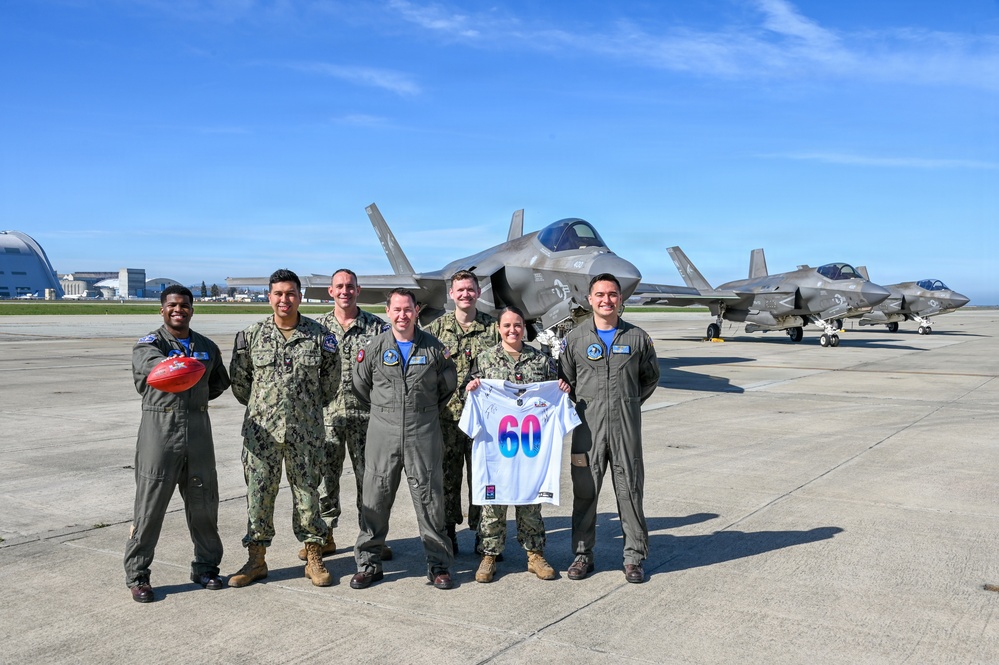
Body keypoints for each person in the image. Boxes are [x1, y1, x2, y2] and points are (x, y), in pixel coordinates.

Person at [228, 269, 341, 588]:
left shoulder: (321, 336)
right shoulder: (250, 335)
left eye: (290, 293)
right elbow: (240, 383)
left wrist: (302, 410)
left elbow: (330, 384)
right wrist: (266, 406)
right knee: (258, 495)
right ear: (269, 297)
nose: (284, 299)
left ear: (299, 297)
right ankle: (256, 559)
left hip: (305, 433)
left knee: (308, 494)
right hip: (261, 434)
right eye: (278, 293)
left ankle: (314, 554)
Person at [124, 285, 231, 603]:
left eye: (184, 305)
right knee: (150, 506)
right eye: (172, 305)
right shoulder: (149, 345)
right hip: (161, 432)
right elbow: (157, 369)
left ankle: (206, 567)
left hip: (198, 431)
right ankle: (138, 575)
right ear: (162, 310)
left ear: (192, 310)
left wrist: (193, 395)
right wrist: (186, 372)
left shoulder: (207, 346)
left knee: (204, 504)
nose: (178, 310)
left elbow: (218, 383)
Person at [350, 288, 457, 590]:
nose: (402, 315)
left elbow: (448, 385)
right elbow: (360, 385)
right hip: (382, 430)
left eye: (407, 309)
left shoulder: (435, 349)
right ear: (388, 312)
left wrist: (420, 411)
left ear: (416, 311)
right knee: (375, 497)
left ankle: (438, 566)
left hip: (423, 430)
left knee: (430, 499)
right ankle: (369, 564)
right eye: (396, 309)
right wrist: (387, 412)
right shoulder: (373, 348)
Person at [558, 273, 660, 584]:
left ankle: (633, 557)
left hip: (625, 428)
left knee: (630, 490)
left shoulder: (637, 338)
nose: (606, 300)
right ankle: (582, 555)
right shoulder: (575, 340)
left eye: (612, 294)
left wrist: (627, 404)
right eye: (600, 294)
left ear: (620, 299)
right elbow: (566, 381)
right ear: (589, 300)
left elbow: (650, 379)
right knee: (585, 491)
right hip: (587, 429)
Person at [463, 306, 574, 583]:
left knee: (530, 501)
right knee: (494, 503)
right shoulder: (485, 359)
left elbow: (556, 391)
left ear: (524, 328)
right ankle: (489, 555)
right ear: (498, 328)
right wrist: (472, 388)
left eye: (517, 325)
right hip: (497, 449)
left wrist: (562, 389)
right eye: (507, 326)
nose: (512, 330)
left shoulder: (541, 360)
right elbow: (470, 389)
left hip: (530, 451)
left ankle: (534, 554)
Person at [305, 268, 392, 563]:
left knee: (369, 482)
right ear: (331, 292)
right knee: (325, 480)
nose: (345, 291)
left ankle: (371, 539)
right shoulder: (317, 330)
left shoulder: (377, 329)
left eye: (350, 286)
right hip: (327, 418)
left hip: (366, 418)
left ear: (358, 290)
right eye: (339, 286)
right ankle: (325, 535)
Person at [426, 270, 499, 553]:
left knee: (483, 478)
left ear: (478, 293)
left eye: (470, 289)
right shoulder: (435, 331)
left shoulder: (494, 329)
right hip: (447, 420)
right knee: (446, 479)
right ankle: (447, 534)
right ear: (451, 294)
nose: (465, 294)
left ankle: (486, 537)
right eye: (460, 290)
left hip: (484, 422)